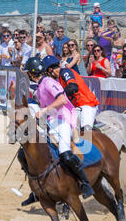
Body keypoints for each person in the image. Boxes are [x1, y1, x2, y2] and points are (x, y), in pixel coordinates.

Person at [19, 57, 95, 207]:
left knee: (65, 154)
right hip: (52, 122)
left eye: (28, 72)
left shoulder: (49, 82)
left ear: (32, 73)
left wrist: (45, 110)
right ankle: (37, 190)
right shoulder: (40, 86)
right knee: (27, 153)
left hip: (64, 120)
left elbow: (62, 100)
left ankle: (85, 184)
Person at [43, 55, 100, 131]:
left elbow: (73, 87)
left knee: (86, 132)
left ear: (50, 70)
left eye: (47, 73)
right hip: (76, 108)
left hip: (87, 105)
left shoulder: (64, 71)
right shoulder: (59, 80)